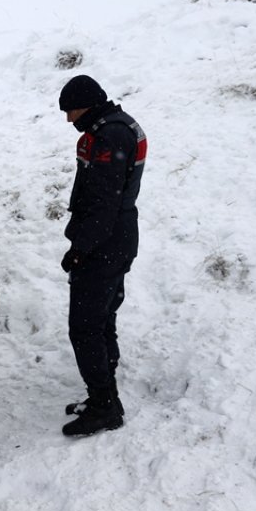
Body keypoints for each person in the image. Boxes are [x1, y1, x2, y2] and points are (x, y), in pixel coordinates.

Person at [57, 75, 146, 437]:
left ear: (88, 103)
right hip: (118, 238)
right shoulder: (117, 126)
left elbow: (104, 203)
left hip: (104, 243)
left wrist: (81, 249)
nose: (68, 120)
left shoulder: (109, 136)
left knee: (85, 327)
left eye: (71, 110)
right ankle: (103, 395)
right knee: (102, 317)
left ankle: (105, 406)